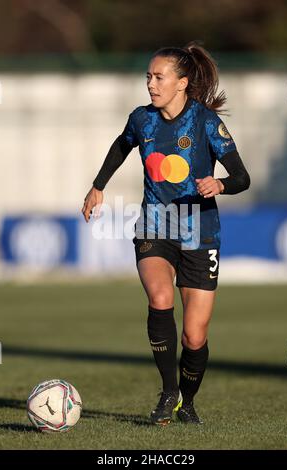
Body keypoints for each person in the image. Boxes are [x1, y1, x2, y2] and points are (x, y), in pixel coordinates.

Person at [82, 41, 250, 426]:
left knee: (194, 335)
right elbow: (120, 146)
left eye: (159, 77)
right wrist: (97, 185)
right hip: (155, 224)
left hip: (200, 230)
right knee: (159, 297)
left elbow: (242, 177)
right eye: (148, 77)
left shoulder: (206, 122)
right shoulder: (142, 119)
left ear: (182, 83)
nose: (151, 84)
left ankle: (186, 401)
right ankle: (168, 390)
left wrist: (220, 185)